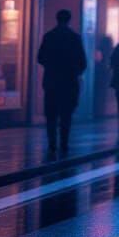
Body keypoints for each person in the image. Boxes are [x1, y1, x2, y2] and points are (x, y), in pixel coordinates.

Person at [37, 9, 87, 157]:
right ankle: (64, 143)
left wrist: (51, 66)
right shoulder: (74, 38)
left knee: (51, 114)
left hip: (52, 80)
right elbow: (83, 62)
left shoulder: (49, 37)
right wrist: (75, 71)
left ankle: (52, 143)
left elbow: (40, 57)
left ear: (56, 19)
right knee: (66, 114)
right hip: (69, 82)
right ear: (69, 19)